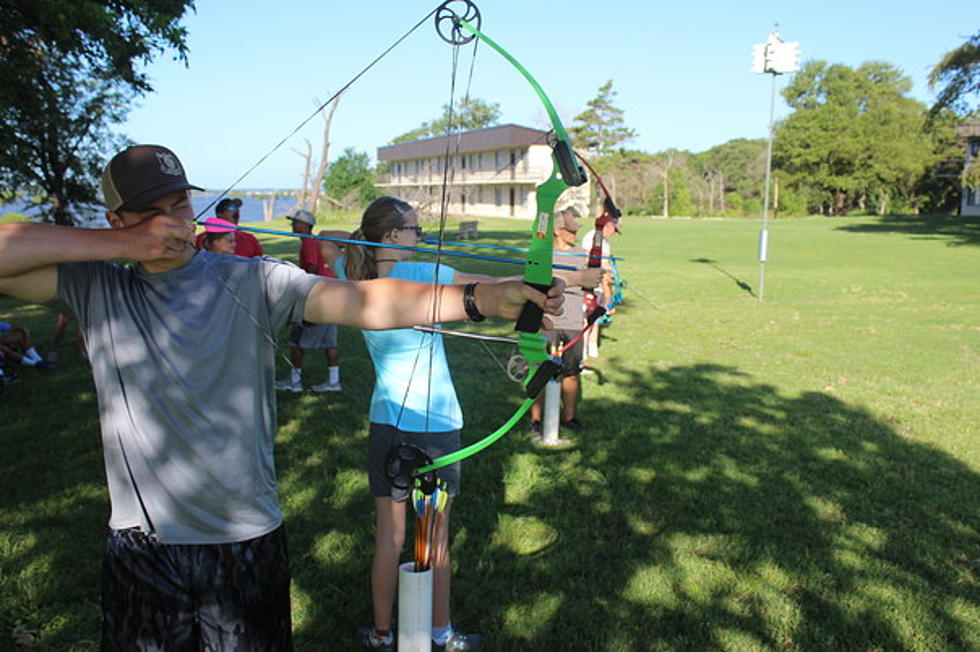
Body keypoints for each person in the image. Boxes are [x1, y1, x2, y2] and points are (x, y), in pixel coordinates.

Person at [0, 145, 564, 650]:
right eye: (152, 211)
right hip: (142, 545)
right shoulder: (99, 288)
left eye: (179, 206)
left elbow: (368, 302)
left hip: (244, 540)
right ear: (117, 221)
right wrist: (121, 246)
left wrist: (482, 298)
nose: (172, 223)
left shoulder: (253, 279)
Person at [321, 197, 594, 652]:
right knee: (436, 536)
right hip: (435, 422)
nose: (420, 238)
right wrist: (560, 282)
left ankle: (382, 632)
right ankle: (440, 632)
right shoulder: (419, 276)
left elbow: (332, 256)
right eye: (414, 230)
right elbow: (493, 284)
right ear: (392, 235)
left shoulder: (354, 278)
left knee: (390, 537)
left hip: (385, 419)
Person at [529, 209, 599, 433]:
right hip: (546, 320)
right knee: (539, 370)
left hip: (572, 321)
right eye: (570, 231)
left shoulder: (582, 254)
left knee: (571, 372)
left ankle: (569, 418)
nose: (574, 234)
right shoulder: (542, 254)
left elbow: (592, 279)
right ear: (557, 231)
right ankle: (536, 420)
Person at [275, 209, 342, 392]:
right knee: (330, 342)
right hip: (332, 293)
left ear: (305, 226)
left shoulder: (308, 243)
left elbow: (311, 268)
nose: (293, 225)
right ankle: (334, 381)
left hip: (317, 296)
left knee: (296, 341)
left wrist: (297, 285)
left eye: (295, 222)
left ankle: (294, 382)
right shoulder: (313, 242)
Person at [579, 214, 620, 359]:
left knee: (595, 317)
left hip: (602, 283)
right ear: (608, 226)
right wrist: (601, 265)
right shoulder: (591, 237)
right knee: (586, 317)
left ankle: (592, 347)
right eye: (614, 230)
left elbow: (607, 261)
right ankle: (582, 351)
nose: (614, 234)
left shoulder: (606, 242)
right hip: (590, 283)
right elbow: (584, 259)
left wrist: (610, 271)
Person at [194, 197, 265, 257]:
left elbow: (260, 264)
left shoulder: (250, 238)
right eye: (232, 208)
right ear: (220, 214)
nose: (236, 211)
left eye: (237, 208)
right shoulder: (201, 239)